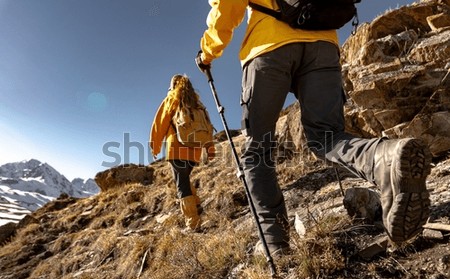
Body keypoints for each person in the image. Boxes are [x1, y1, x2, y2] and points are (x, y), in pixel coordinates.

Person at [195, 0, 431, 256]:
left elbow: (228, 7)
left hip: (268, 48)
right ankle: (385, 158)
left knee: (257, 153)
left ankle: (276, 246)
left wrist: (207, 53)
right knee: (328, 136)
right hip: (322, 43)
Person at [150, 74, 215, 231]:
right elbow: (207, 127)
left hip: (177, 149)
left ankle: (192, 222)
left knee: (182, 185)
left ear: (173, 86)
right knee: (183, 179)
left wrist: (155, 146)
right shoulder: (197, 104)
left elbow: (160, 123)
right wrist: (210, 149)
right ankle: (196, 205)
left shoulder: (172, 99)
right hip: (195, 151)